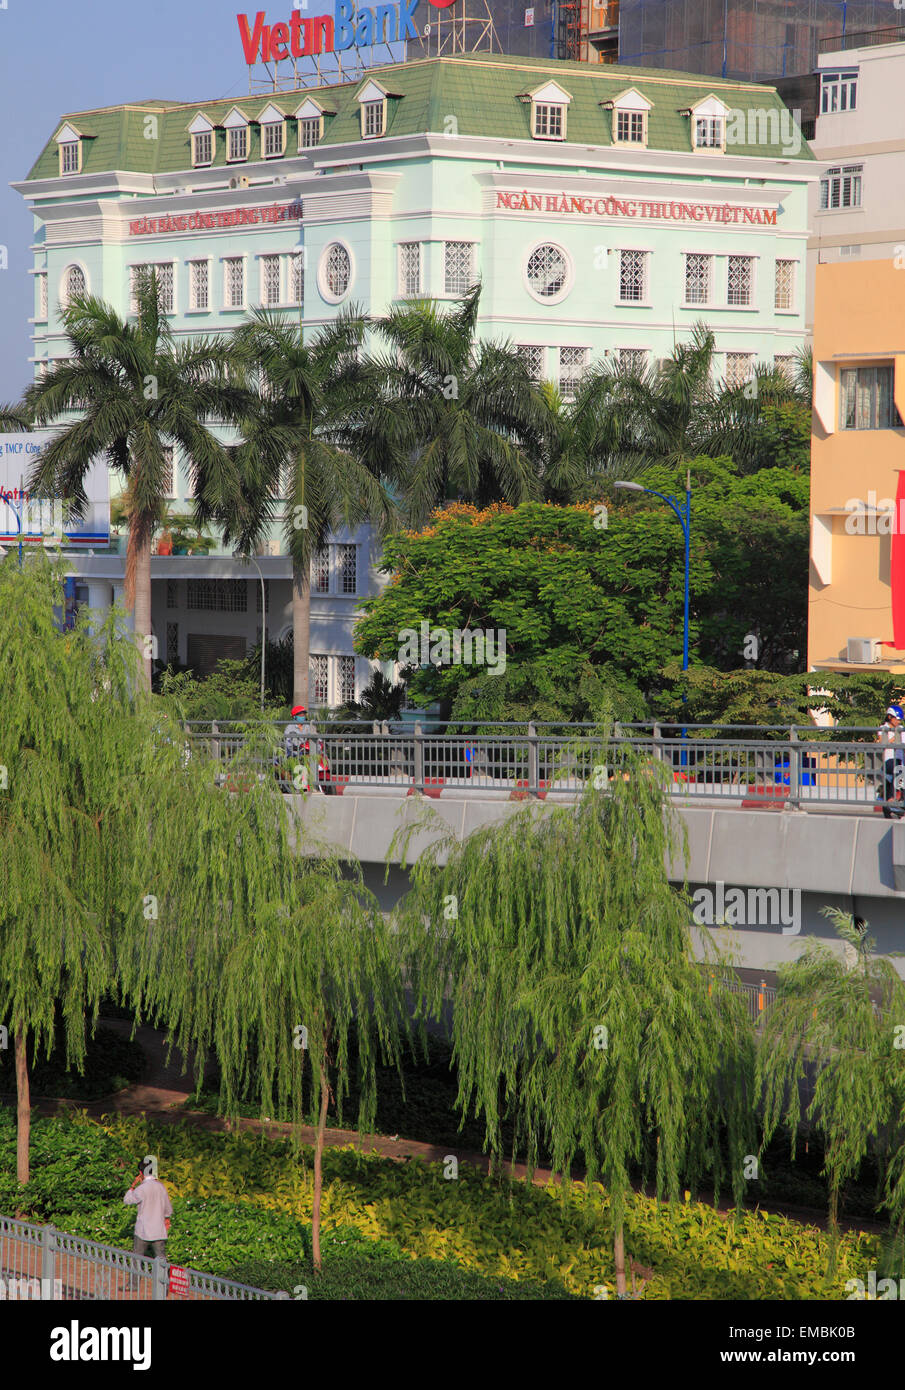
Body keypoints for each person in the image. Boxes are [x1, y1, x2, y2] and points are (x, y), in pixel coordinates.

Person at [123, 1159, 172, 1261]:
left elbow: (127, 1200)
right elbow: (167, 1208)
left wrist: (132, 1186)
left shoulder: (142, 1188)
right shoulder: (161, 1187)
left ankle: (135, 1278)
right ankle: (162, 1277)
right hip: (158, 1230)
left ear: (141, 1173)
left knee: (136, 1261)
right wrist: (167, 1218)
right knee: (161, 1261)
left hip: (143, 1230)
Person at [877, 704, 905, 816]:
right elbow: (883, 743)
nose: (898, 722)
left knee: (900, 770)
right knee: (899, 770)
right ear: (890, 717)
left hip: (900, 759)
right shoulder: (884, 729)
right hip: (889, 760)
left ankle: (897, 800)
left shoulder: (901, 729)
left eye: (900, 720)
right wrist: (896, 735)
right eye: (896, 719)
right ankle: (892, 798)